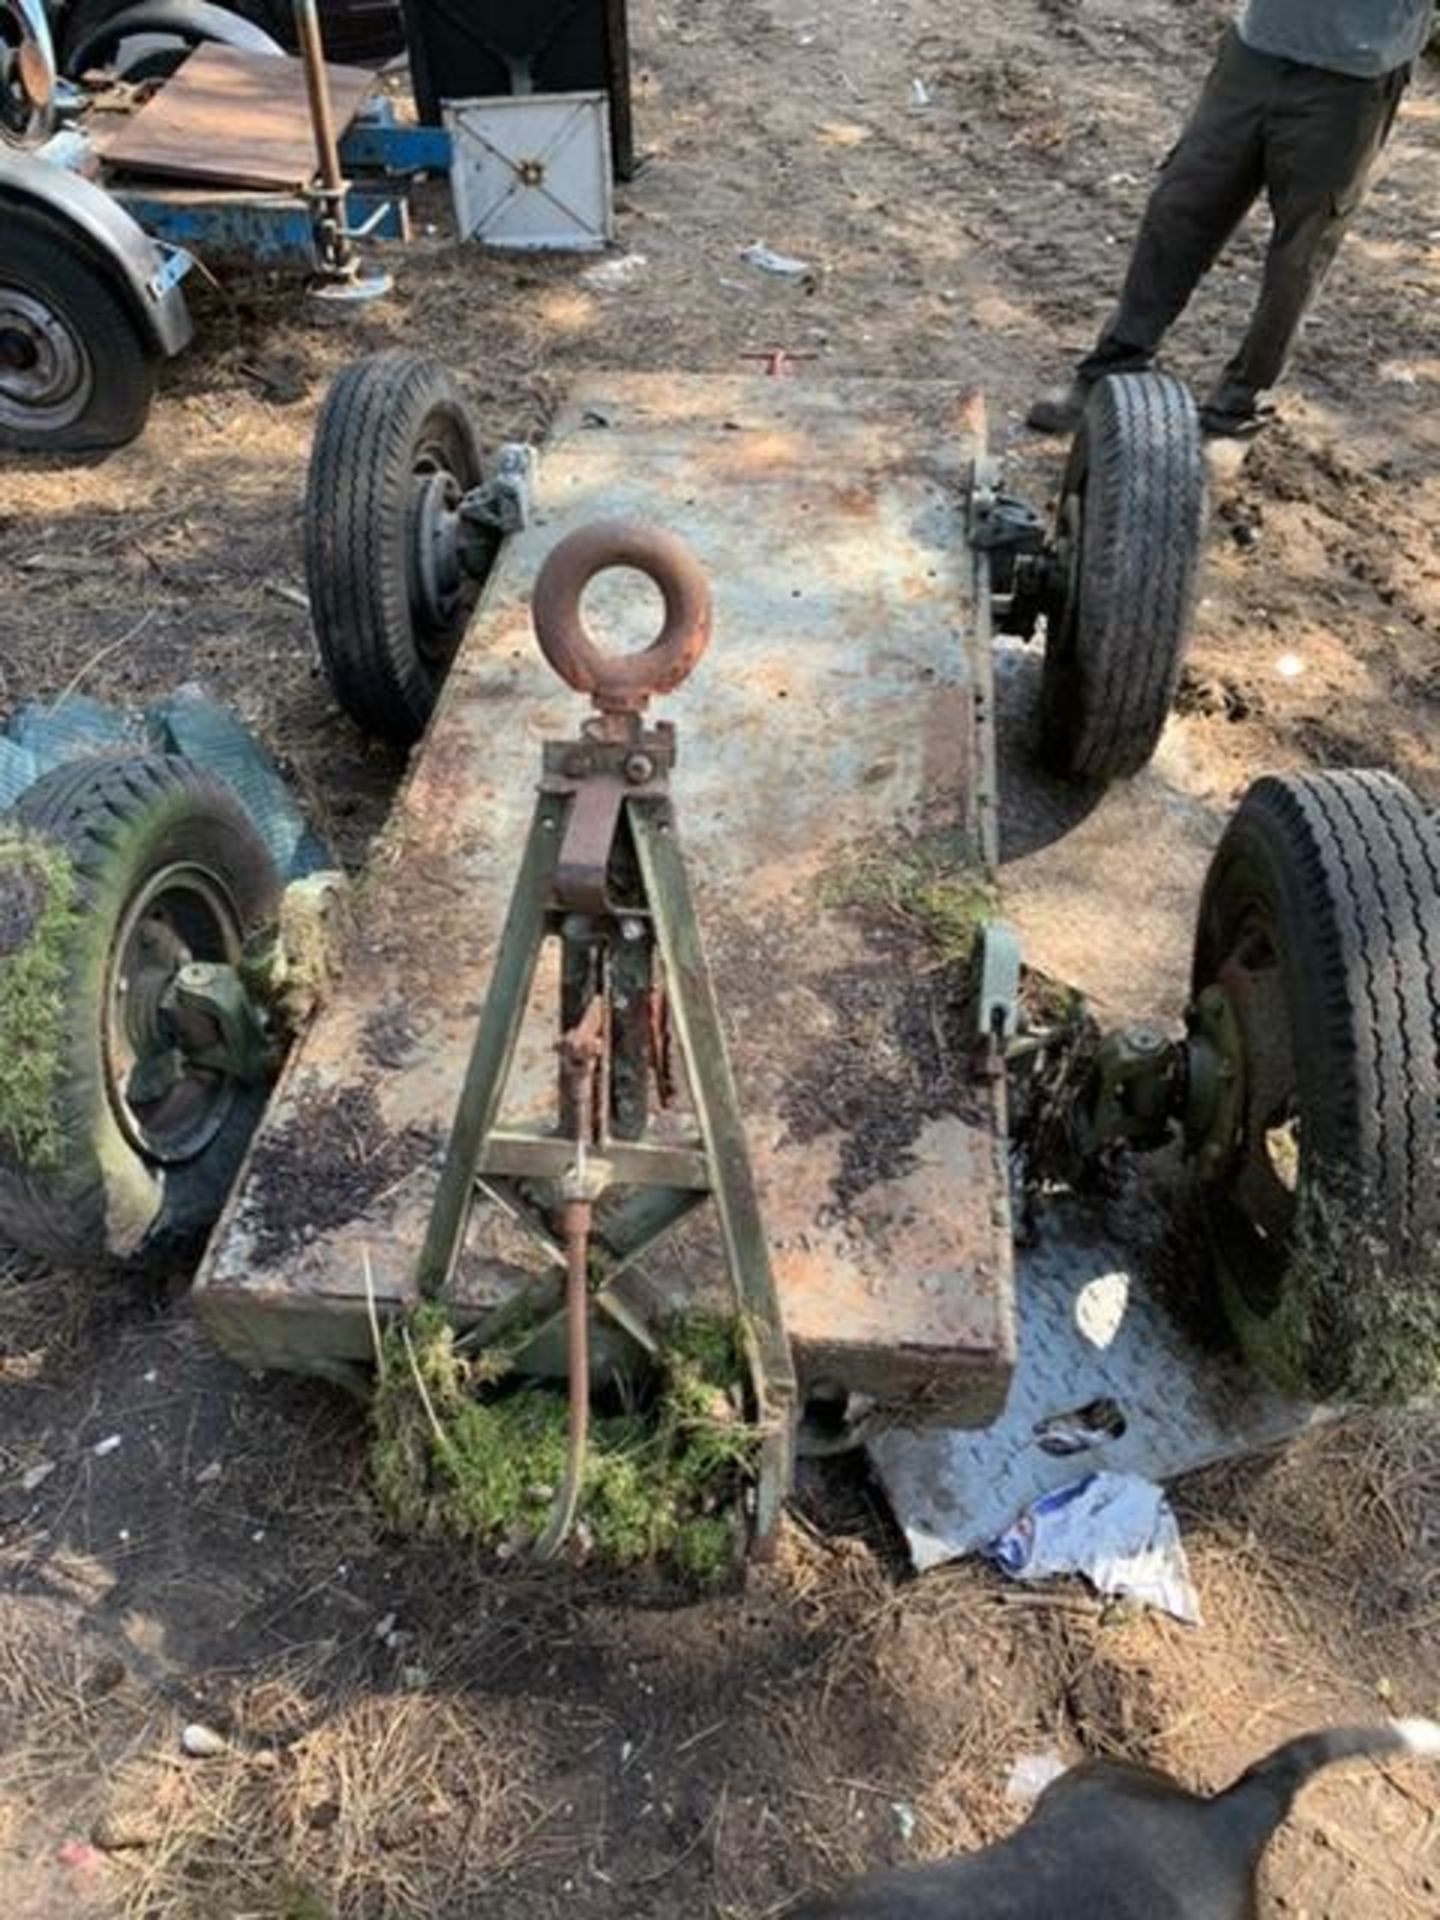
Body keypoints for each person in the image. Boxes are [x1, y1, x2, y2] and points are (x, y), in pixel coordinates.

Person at [1027, 1, 1434, 439]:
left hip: (1353, 79)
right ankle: (1113, 366)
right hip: (1258, 50)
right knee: (1180, 206)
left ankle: (1235, 411)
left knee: (1299, 256)